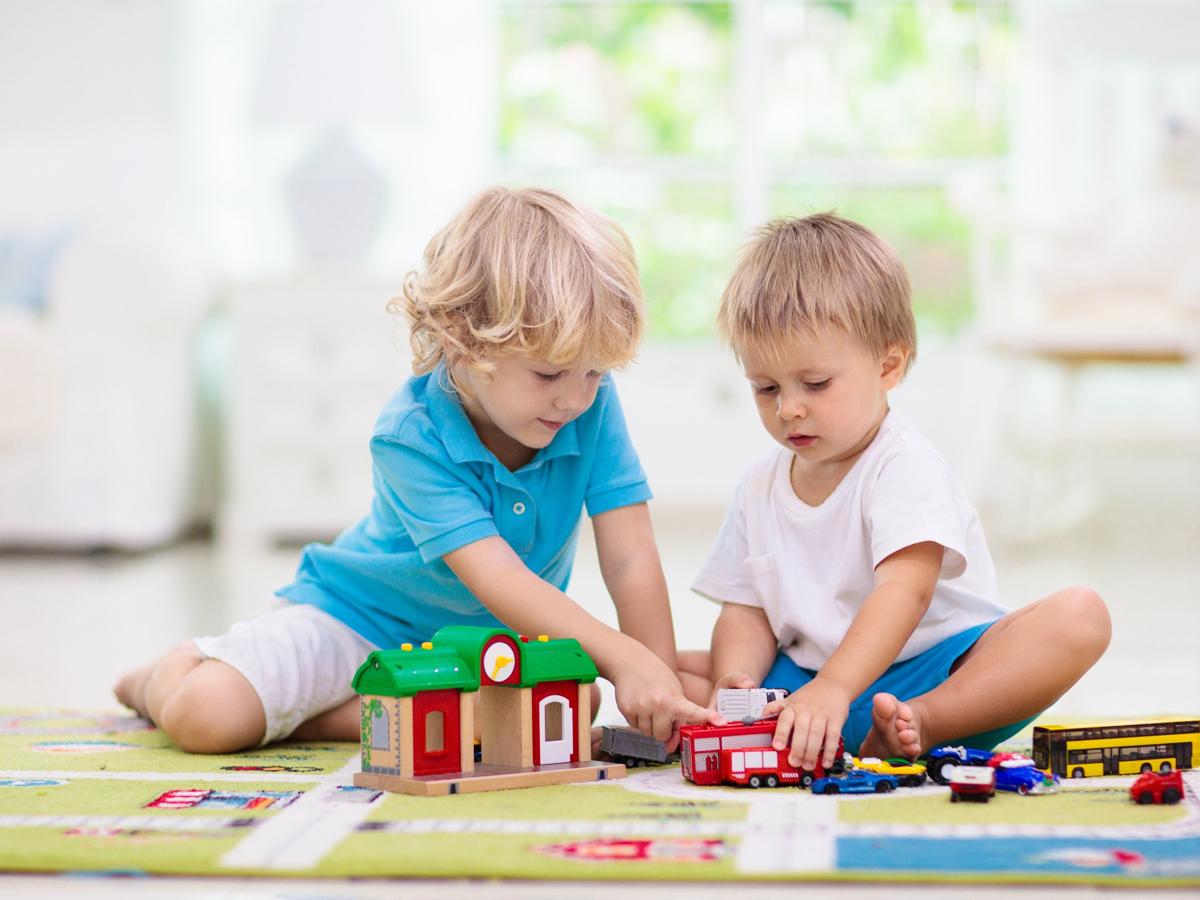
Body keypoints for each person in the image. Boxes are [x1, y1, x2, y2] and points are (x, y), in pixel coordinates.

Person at [115, 186, 721, 753]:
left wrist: (657, 681)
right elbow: (500, 580)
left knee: (572, 702)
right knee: (207, 717)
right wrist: (622, 657)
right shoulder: (410, 435)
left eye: (593, 373)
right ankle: (161, 675)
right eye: (548, 375)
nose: (575, 399)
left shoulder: (588, 405)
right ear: (463, 343)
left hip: (486, 645)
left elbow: (630, 557)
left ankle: (333, 717)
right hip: (356, 622)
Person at [677, 213, 1110, 773]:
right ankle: (791, 729)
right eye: (766, 388)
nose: (788, 408)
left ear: (889, 365)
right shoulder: (760, 484)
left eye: (814, 384)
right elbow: (747, 611)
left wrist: (837, 688)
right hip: (805, 691)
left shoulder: (903, 465)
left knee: (1080, 616)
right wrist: (735, 680)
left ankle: (923, 724)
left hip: (928, 674)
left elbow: (905, 593)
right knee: (671, 670)